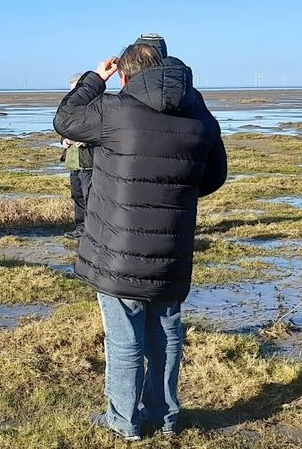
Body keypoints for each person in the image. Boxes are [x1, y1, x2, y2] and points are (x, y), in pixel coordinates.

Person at [53, 38, 227, 441]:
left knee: (124, 337)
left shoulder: (115, 111)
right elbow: (214, 176)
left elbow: (65, 119)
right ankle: (165, 418)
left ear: (127, 75)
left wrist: (96, 77)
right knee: (166, 333)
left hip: (117, 251)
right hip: (171, 247)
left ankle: (125, 422)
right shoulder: (199, 116)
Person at [61, 74, 95, 239]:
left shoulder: (94, 107)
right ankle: (80, 228)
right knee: (77, 195)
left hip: (89, 163)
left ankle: (92, 230)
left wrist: (87, 142)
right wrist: (64, 139)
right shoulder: (70, 109)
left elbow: (101, 131)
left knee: (90, 197)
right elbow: (64, 129)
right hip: (73, 162)